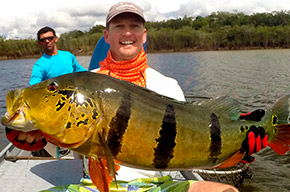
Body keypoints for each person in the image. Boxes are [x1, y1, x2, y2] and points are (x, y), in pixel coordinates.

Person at [89, 2, 267, 191]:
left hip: (156, 185)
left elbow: (190, 142)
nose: (127, 33)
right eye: (119, 26)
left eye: (134, 26)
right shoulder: (86, 85)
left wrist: (236, 147)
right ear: (106, 35)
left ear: (144, 34)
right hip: (95, 185)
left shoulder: (167, 85)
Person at [5, 26, 87, 156]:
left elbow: (82, 73)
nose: (47, 41)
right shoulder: (40, 65)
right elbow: (34, 88)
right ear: (40, 43)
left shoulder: (68, 56)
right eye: (43, 40)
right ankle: (58, 151)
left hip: (74, 104)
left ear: (56, 39)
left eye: (50, 38)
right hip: (55, 108)